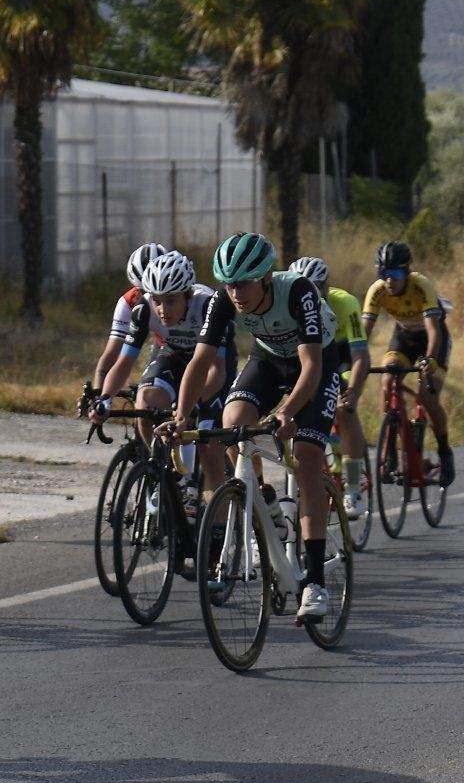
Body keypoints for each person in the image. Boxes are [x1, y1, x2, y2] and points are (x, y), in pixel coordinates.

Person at [170, 232, 337, 619]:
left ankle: (314, 582)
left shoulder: (298, 291)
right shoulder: (223, 301)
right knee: (232, 424)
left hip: (316, 363)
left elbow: (311, 367)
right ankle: (264, 500)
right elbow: (199, 362)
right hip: (267, 361)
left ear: (264, 278)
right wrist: (181, 417)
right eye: (229, 284)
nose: (235, 292)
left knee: (309, 457)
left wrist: (288, 411)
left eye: (243, 283)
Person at [91, 250, 232, 501]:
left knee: (208, 449)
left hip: (211, 361)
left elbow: (216, 371)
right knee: (145, 403)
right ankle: (164, 472)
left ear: (187, 295)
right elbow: (124, 362)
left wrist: (191, 406)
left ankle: (216, 523)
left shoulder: (208, 306)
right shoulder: (144, 309)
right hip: (174, 354)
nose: (162, 309)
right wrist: (104, 399)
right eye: (157, 300)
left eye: (170, 300)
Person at [360, 240, 453, 487]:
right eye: (383, 273)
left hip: (432, 341)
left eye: (396, 273)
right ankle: (389, 452)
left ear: (408, 271)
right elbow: (362, 335)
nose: (389, 280)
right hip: (403, 339)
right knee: (387, 380)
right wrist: (354, 361)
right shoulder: (377, 290)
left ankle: (445, 451)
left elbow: (434, 331)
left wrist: (430, 360)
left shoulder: (421, 286)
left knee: (427, 394)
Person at [291, 255, 372, 513]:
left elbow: (361, 357)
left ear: (327, 286)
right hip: (313, 355)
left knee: (342, 408)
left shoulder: (346, 303)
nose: (313, 297)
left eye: (318, 289)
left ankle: (353, 483)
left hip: (342, 355)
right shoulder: (293, 307)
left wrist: (352, 393)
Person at [85, 242, 170, 402]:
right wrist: (98, 398)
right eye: (145, 291)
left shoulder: (190, 297)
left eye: (163, 292)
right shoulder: (128, 302)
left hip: (195, 347)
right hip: (165, 349)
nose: (152, 299)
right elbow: (112, 355)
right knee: (145, 403)